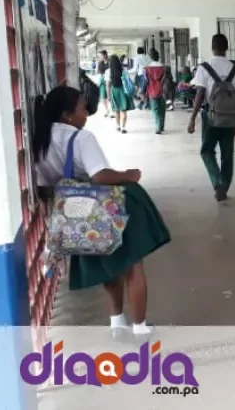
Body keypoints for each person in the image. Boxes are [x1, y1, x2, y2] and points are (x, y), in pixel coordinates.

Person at [32, 86, 171, 339]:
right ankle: (140, 326)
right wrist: (129, 175)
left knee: (109, 265)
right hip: (103, 206)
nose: (86, 113)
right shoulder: (80, 138)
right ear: (67, 115)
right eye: (82, 108)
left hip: (76, 214)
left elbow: (44, 190)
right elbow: (100, 175)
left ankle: (117, 324)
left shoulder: (40, 142)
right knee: (133, 265)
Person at [187, 34, 235, 202]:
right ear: (226, 48)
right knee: (227, 154)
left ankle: (217, 181)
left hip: (211, 117)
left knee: (206, 151)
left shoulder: (204, 67)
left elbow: (200, 93)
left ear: (212, 47)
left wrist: (192, 118)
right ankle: (224, 185)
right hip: (230, 118)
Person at [107, 55, 135, 133]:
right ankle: (123, 127)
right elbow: (128, 81)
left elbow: (108, 84)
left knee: (116, 110)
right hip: (123, 91)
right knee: (123, 110)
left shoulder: (108, 71)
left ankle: (118, 126)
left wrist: (108, 95)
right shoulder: (124, 71)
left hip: (114, 91)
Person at [144, 49, 167, 134]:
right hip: (162, 90)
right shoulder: (164, 67)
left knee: (155, 109)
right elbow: (166, 80)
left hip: (152, 90)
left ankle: (157, 126)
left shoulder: (147, 68)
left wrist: (143, 91)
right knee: (162, 108)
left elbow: (146, 80)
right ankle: (161, 125)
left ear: (150, 57)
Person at [96, 50, 112, 118]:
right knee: (102, 97)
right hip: (102, 81)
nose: (99, 57)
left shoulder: (110, 62)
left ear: (105, 55)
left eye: (100, 55)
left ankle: (112, 111)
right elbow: (99, 72)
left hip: (110, 81)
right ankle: (107, 110)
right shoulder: (100, 63)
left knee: (110, 97)